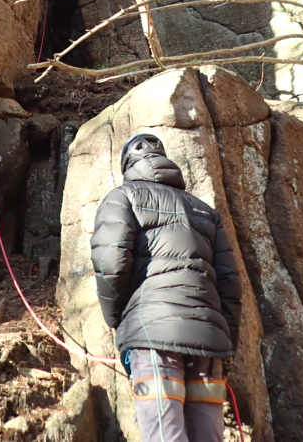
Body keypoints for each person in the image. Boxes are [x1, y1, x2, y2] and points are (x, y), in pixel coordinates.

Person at [90, 133, 242, 442]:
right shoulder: (205, 211)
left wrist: (117, 319)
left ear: (127, 164)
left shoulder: (122, 197)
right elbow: (230, 282)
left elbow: (111, 262)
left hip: (152, 338)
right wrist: (226, 343)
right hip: (208, 344)